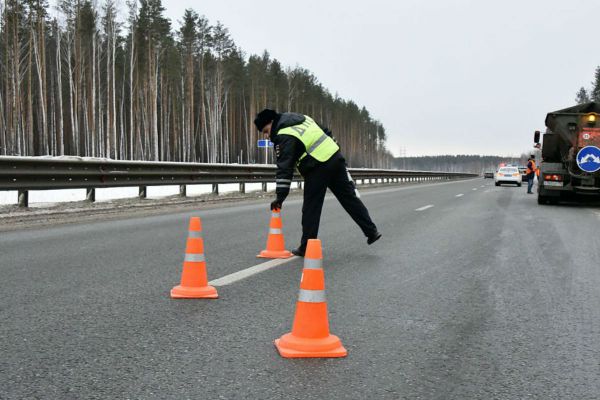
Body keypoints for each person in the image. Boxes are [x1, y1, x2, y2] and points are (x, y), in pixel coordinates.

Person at [254, 108, 381, 257]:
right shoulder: (302, 117)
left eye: (266, 131)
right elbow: (326, 132)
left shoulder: (284, 134)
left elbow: (284, 167)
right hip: (335, 157)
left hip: (318, 166)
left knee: (311, 207)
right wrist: (336, 153)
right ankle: (371, 232)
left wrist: (280, 197)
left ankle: (306, 246)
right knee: (349, 199)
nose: (268, 136)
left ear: (271, 122)